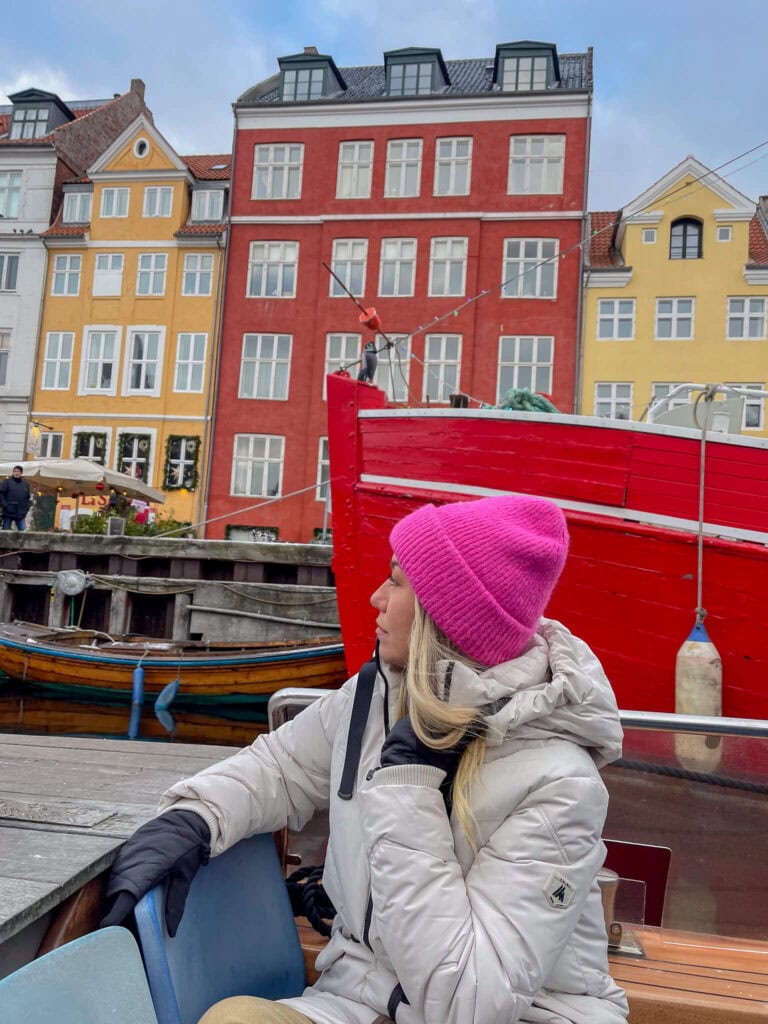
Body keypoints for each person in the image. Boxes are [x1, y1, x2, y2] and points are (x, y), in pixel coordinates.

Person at [101, 495, 629, 1024]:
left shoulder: (560, 781)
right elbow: (281, 770)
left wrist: (407, 786)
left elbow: (471, 1003)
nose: (376, 596)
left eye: (397, 581)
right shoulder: (374, 698)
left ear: (443, 617)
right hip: (360, 1000)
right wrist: (194, 818)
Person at [0, 465, 32, 531]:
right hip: (8, 511)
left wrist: (26, 508)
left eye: (18, 471)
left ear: (21, 473)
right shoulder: (7, 482)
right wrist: (5, 505)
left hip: (20, 512)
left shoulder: (25, 484)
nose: (16, 473)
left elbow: (27, 497)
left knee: (22, 532)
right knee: (5, 532)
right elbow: (1, 494)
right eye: (15, 471)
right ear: (13, 472)